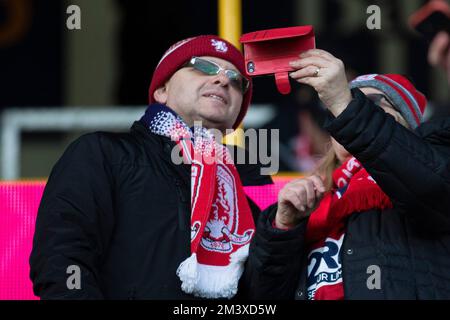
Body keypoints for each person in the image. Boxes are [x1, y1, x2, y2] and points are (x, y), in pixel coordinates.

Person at [29, 35, 272, 299]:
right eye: (203, 66)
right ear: (161, 91)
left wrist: (284, 229)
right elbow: (61, 260)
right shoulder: (102, 154)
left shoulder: (243, 204)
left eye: (237, 81)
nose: (223, 80)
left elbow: (265, 294)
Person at [241, 49, 450, 300]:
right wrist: (283, 227)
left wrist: (344, 101)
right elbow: (260, 298)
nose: (344, 115)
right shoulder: (312, 198)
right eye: (336, 111)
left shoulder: (429, 168)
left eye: (367, 104)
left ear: (403, 125)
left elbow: (429, 182)